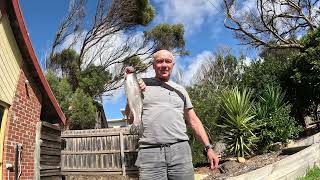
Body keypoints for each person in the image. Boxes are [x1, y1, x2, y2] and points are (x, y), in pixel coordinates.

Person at [125, 49, 219, 180]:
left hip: (180, 151)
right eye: (159, 61)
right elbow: (129, 117)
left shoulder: (181, 90)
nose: (164, 65)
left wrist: (208, 148)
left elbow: (193, 121)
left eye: (168, 61)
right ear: (153, 65)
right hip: (150, 153)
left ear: (172, 65)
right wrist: (134, 90)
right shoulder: (142, 84)